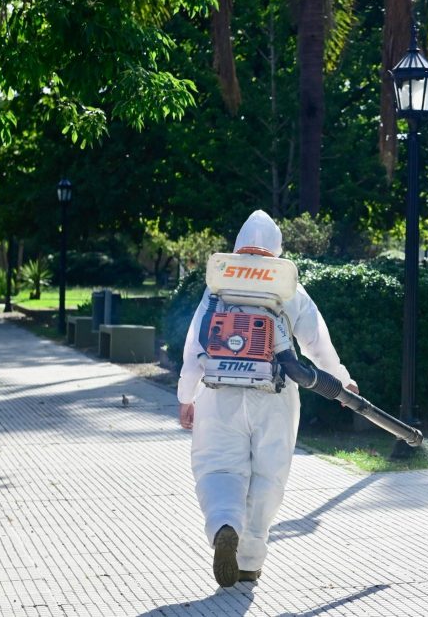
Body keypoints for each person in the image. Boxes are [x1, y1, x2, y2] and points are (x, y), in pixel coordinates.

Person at [177, 210, 358, 587]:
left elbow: (195, 344)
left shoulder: (217, 285)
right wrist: (342, 383)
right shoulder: (287, 286)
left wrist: (186, 396)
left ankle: (225, 524)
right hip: (274, 396)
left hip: (218, 392)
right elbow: (317, 344)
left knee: (217, 468)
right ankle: (248, 561)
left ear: (238, 245)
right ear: (278, 250)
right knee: (268, 474)